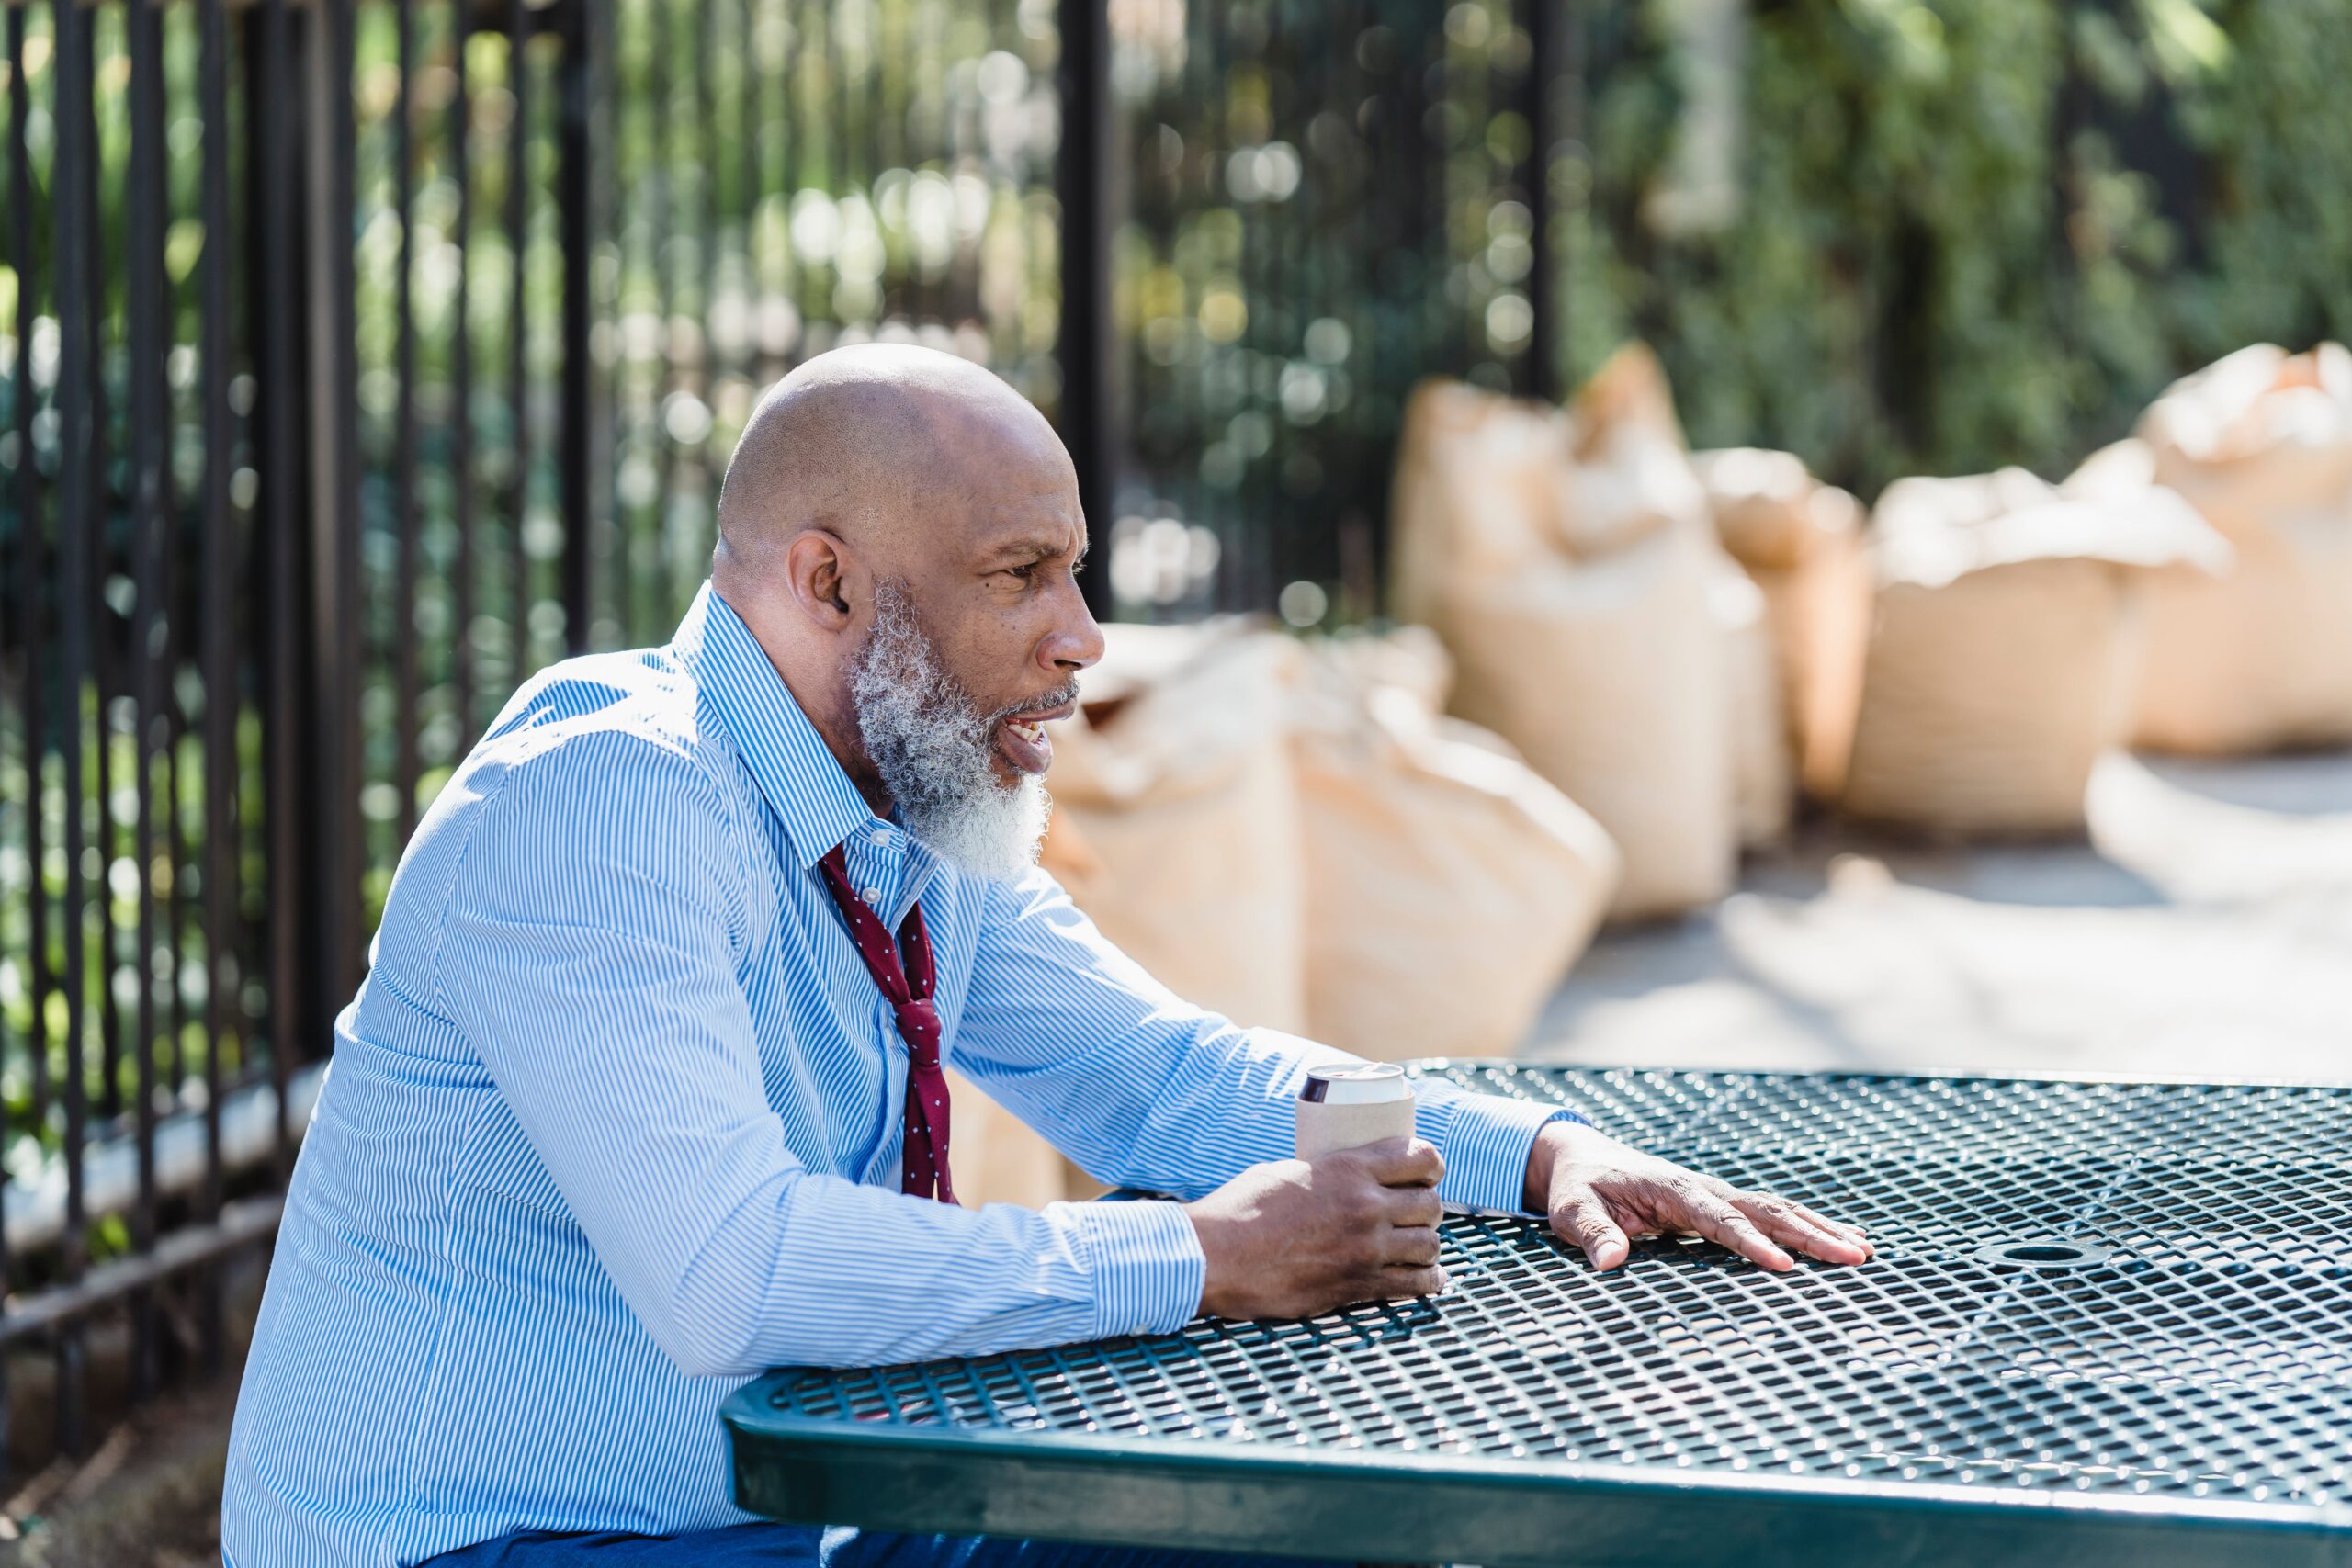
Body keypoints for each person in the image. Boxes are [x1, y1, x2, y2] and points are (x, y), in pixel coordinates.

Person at [220, 345, 1871, 1568]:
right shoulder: (606, 800)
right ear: (826, 585)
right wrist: (1201, 1261)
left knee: (1280, 1529)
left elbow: (1161, 1078)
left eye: (1074, 570)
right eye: (1023, 576)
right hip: (482, 1549)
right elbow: (732, 1272)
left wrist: (1525, 1153)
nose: (1083, 633)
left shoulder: (904, 807)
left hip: (768, 1518)